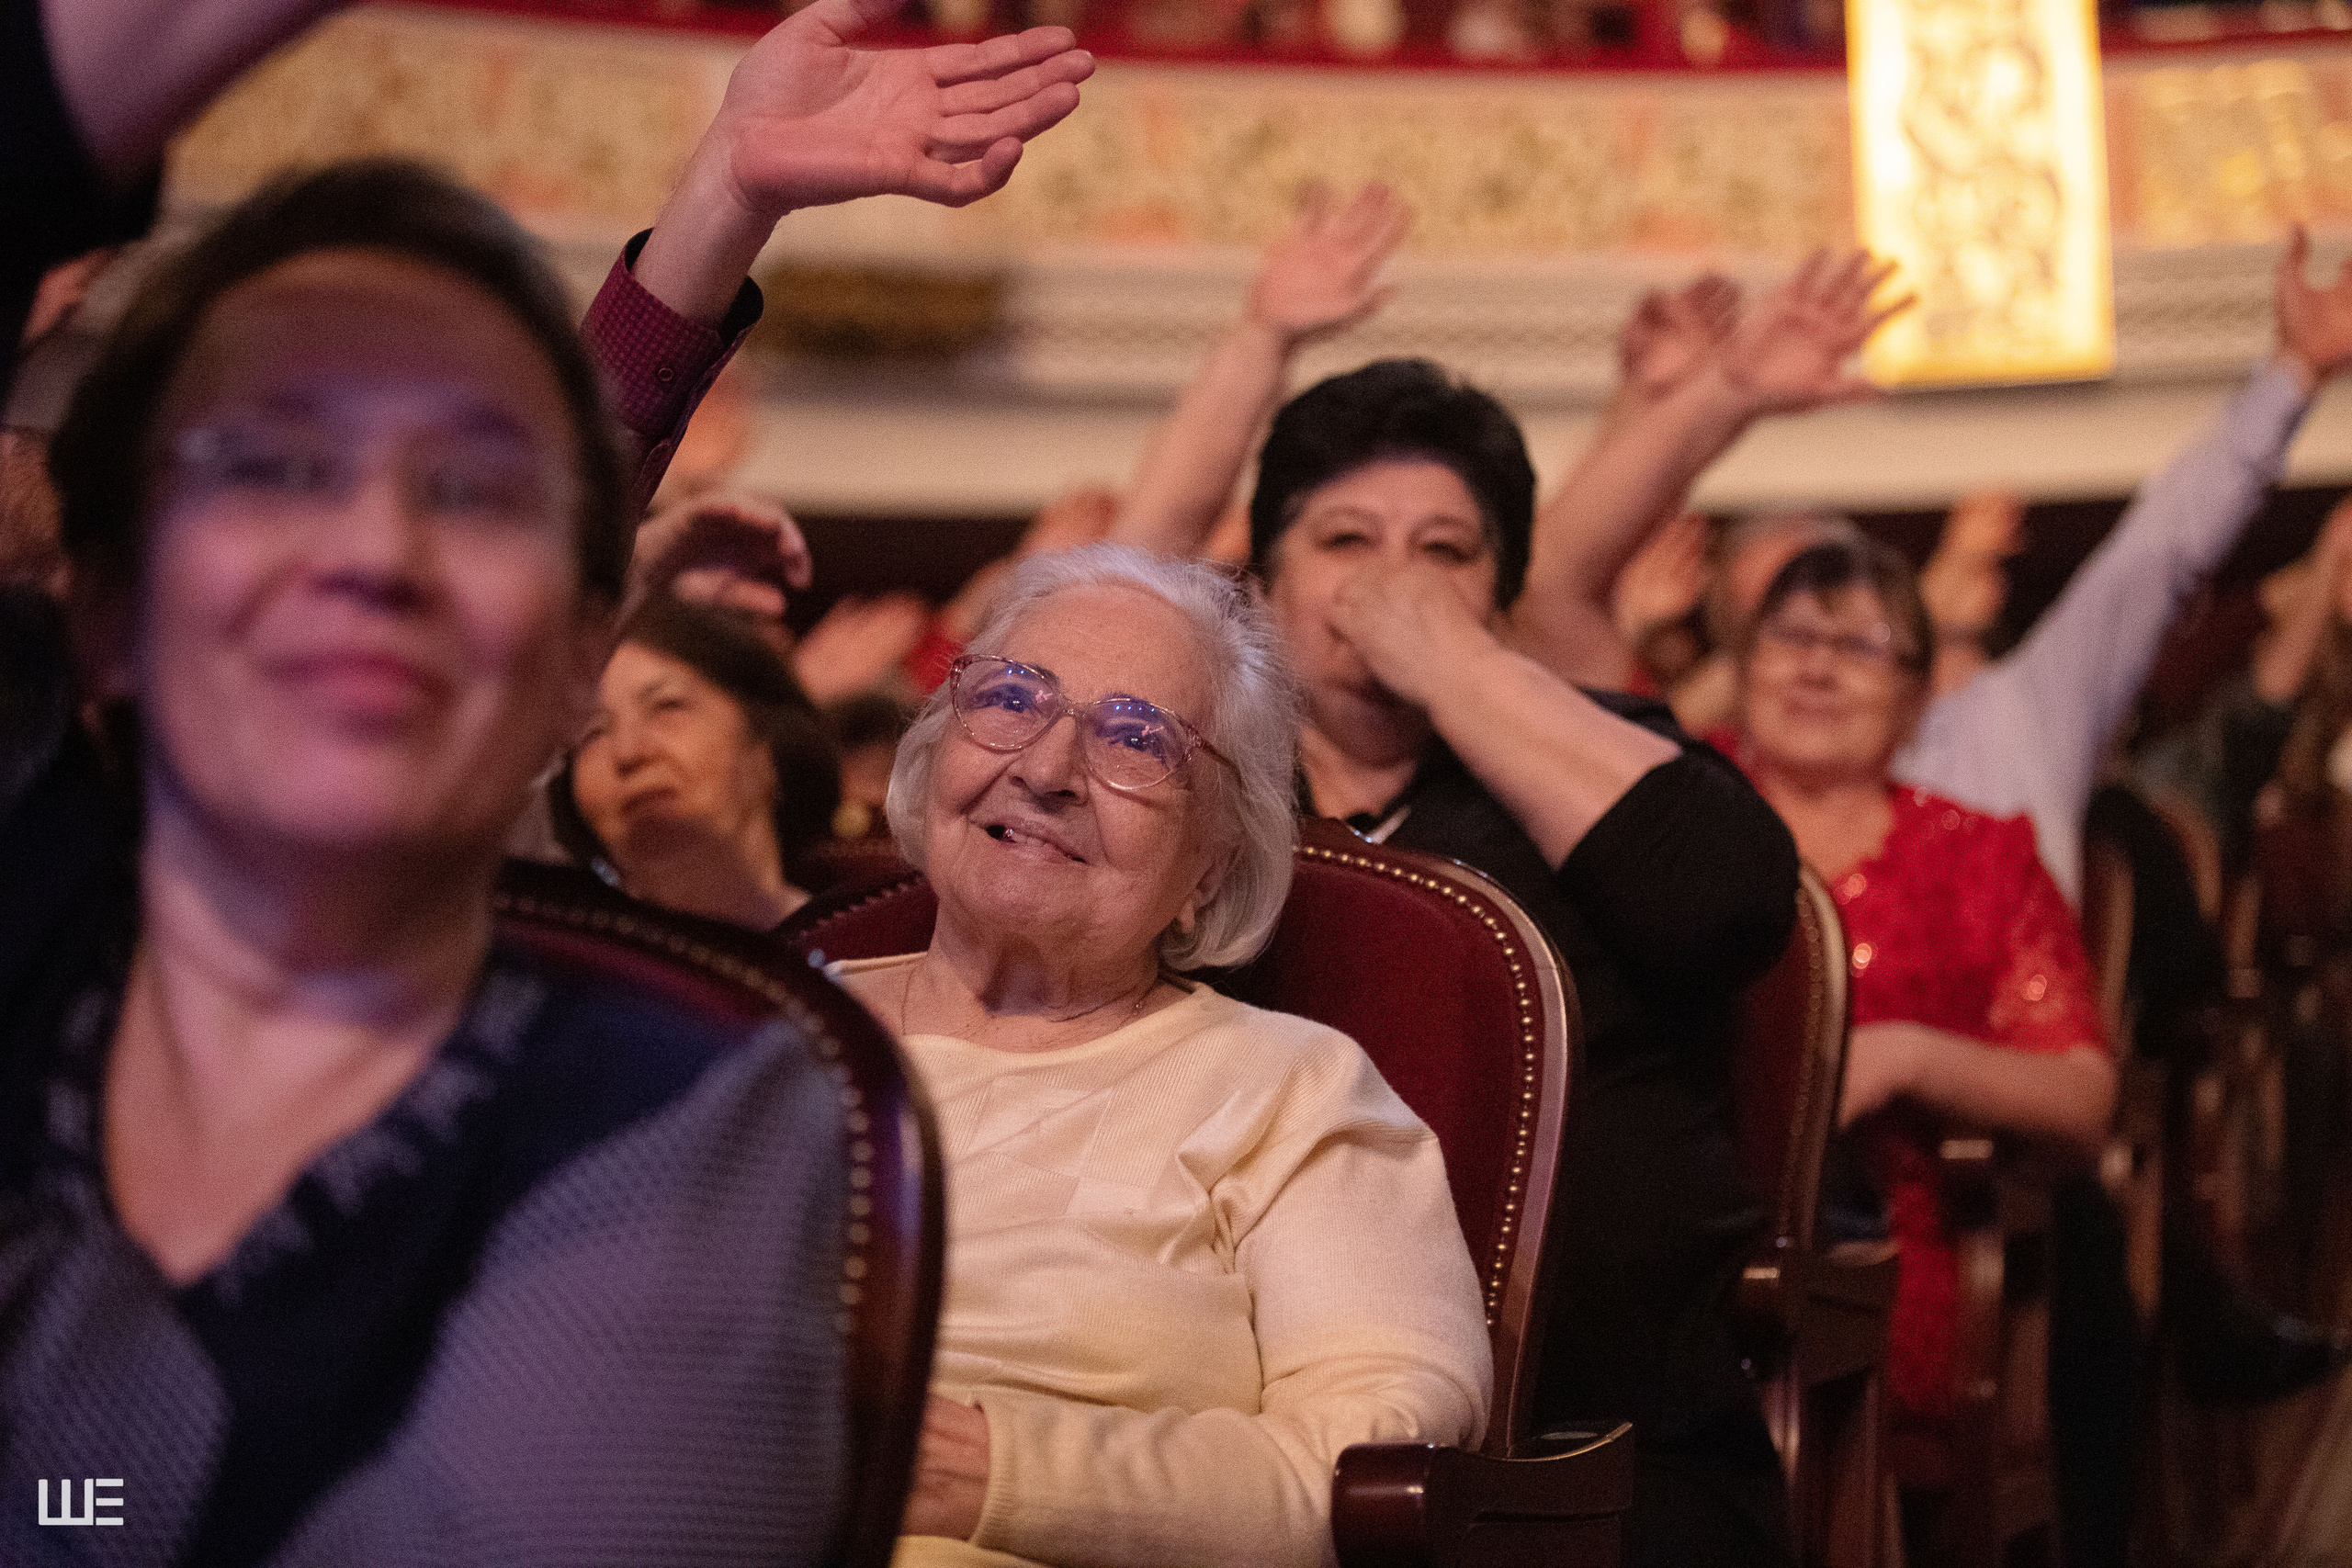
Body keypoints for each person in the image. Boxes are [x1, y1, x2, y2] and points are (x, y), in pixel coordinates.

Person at [0, 158, 854, 1568]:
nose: (377, 549)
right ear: (101, 610)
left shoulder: (680, 1119)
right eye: (271, 466)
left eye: (476, 490)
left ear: (581, 651)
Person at [1216, 358, 1804, 1567]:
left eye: (1447, 550)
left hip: (1597, 1437)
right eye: (1344, 539)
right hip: (1245, 1424)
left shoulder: (1588, 756)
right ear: (1266, 588)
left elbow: (1734, 902)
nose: (1393, 577)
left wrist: (1452, 666)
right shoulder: (1210, 804)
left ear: (1501, 595)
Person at [827, 545, 1491, 1567]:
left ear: (1211, 861)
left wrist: (987, 1472)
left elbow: (1371, 1468)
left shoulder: (1290, 1092)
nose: (1046, 771)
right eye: (1011, 698)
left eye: (1136, 740)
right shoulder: (759, 1035)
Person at [1722, 536, 2116, 1553]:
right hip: (1702, 1221)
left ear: (1913, 696)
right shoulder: (1684, 826)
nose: (1813, 667)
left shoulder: (1978, 854)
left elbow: (2079, 1097)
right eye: (1790, 637)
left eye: (1855, 646)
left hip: (1901, 1247)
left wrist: (1904, 1055)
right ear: (1741, 665)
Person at [555, 592, 841, 929]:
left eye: (667, 706)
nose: (628, 752)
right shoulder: (561, 968)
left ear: (766, 748)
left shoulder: (861, 962)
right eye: (593, 733)